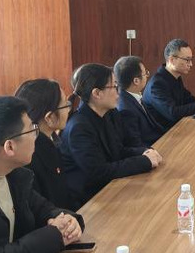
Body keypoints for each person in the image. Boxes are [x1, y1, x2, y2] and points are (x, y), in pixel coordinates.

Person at [0, 96, 84, 253]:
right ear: (9, 146)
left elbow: (44, 209)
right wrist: (54, 235)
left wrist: (69, 221)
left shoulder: (15, 176)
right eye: (31, 130)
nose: (36, 136)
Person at [60, 63, 162, 209]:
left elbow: (118, 150)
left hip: (111, 188)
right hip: (90, 202)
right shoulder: (79, 127)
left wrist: (145, 151)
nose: (118, 92)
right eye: (114, 87)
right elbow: (99, 172)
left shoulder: (108, 114)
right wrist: (144, 161)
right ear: (97, 93)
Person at [14, 79, 73, 209]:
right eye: (65, 105)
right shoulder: (31, 154)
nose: (68, 110)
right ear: (49, 117)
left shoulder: (48, 141)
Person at [143, 39, 195, 131]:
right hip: (163, 136)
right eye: (187, 60)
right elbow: (172, 113)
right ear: (172, 60)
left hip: (176, 129)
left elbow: (187, 100)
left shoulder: (174, 77)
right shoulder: (157, 84)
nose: (191, 64)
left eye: (191, 60)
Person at [114, 56, 164, 148]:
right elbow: (135, 145)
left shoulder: (133, 95)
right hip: (152, 150)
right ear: (136, 81)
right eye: (145, 73)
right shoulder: (126, 110)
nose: (147, 76)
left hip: (160, 141)